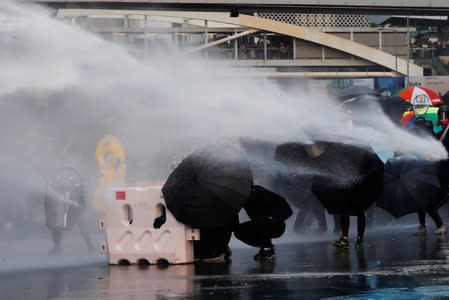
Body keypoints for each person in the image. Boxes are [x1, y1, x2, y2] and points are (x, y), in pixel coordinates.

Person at [234, 184, 293, 260]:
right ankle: (266, 246)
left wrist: (276, 219)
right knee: (240, 230)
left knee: (261, 221)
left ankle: (267, 248)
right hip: (270, 224)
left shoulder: (256, 193)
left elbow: (264, 218)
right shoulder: (247, 193)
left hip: (274, 225)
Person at [45, 167, 96, 254]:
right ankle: (57, 248)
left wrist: (82, 205)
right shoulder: (57, 178)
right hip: (62, 206)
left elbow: (81, 192)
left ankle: (90, 245)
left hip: (75, 206)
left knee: (82, 224)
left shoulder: (75, 178)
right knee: (58, 227)